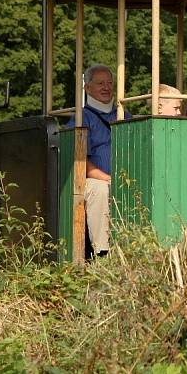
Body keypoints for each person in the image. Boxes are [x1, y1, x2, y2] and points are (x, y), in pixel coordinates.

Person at [67, 64, 130, 256]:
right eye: (100, 83)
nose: (106, 87)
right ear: (87, 88)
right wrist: (107, 178)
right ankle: (102, 252)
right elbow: (80, 161)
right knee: (100, 189)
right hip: (91, 180)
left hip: (122, 177)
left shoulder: (124, 116)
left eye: (110, 83)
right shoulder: (81, 117)